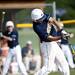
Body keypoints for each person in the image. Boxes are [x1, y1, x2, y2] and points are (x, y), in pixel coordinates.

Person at [31, 8, 70, 75]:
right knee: (48, 68)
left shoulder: (41, 15)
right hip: (47, 45)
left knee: (64, 63)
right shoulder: (37, 27)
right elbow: (50, 38)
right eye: (41, 19)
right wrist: (61, 37)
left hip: (53, 44)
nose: (43, 19)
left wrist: (61, 30)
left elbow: (53, 20)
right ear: (35, 20)